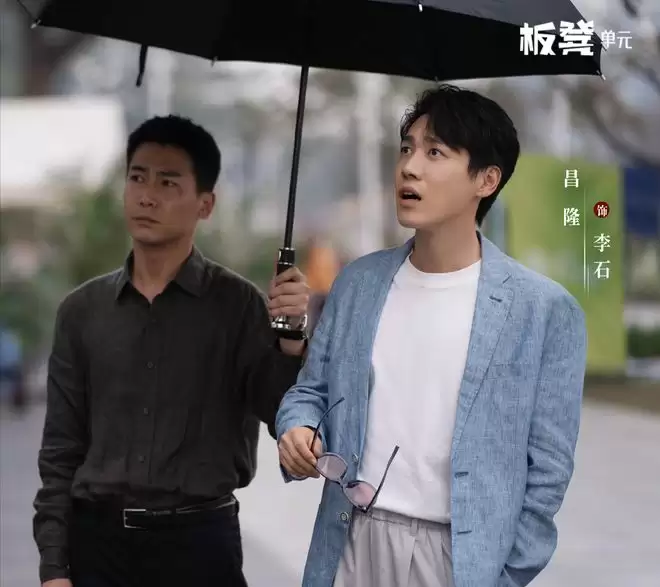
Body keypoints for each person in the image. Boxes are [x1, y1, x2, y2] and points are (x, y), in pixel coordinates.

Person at [276, 84, 587, 587]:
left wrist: (504, 575)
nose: (409, 167)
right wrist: (298, 428)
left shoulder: (543, 310)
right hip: (350, 540)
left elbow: (549, 469)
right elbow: (310, 392)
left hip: (459, 558)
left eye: (435, 152)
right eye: (407, 148)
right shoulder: (358, 283)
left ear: (486, 179)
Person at [33, 115, 310, 587]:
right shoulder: (81, 312)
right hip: (98, 548)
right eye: (137, 177)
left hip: (200, 547)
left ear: (205, 204)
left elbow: (280, 411)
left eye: (167, 183)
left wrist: (291, 334)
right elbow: (60, 452)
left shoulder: (238, 306)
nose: (147, 196)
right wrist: (54, 568)